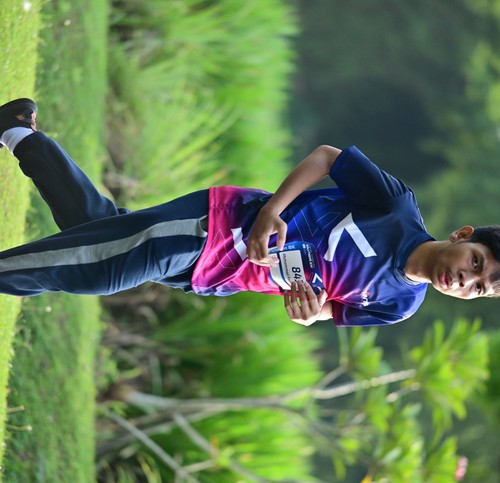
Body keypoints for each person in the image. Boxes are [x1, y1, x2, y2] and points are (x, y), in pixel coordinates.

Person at [1, 98, 500, 327]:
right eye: (476, 262)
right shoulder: (396, 208)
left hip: (219, 276)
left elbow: (325, 310)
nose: (465, 279)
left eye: (479, 287)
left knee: (96, 229)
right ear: (463, 235)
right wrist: (272, 212)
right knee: (103, 269)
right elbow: (328, 157)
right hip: (221, 227)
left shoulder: (398, 306)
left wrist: (306, 315)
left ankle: (18, 129)